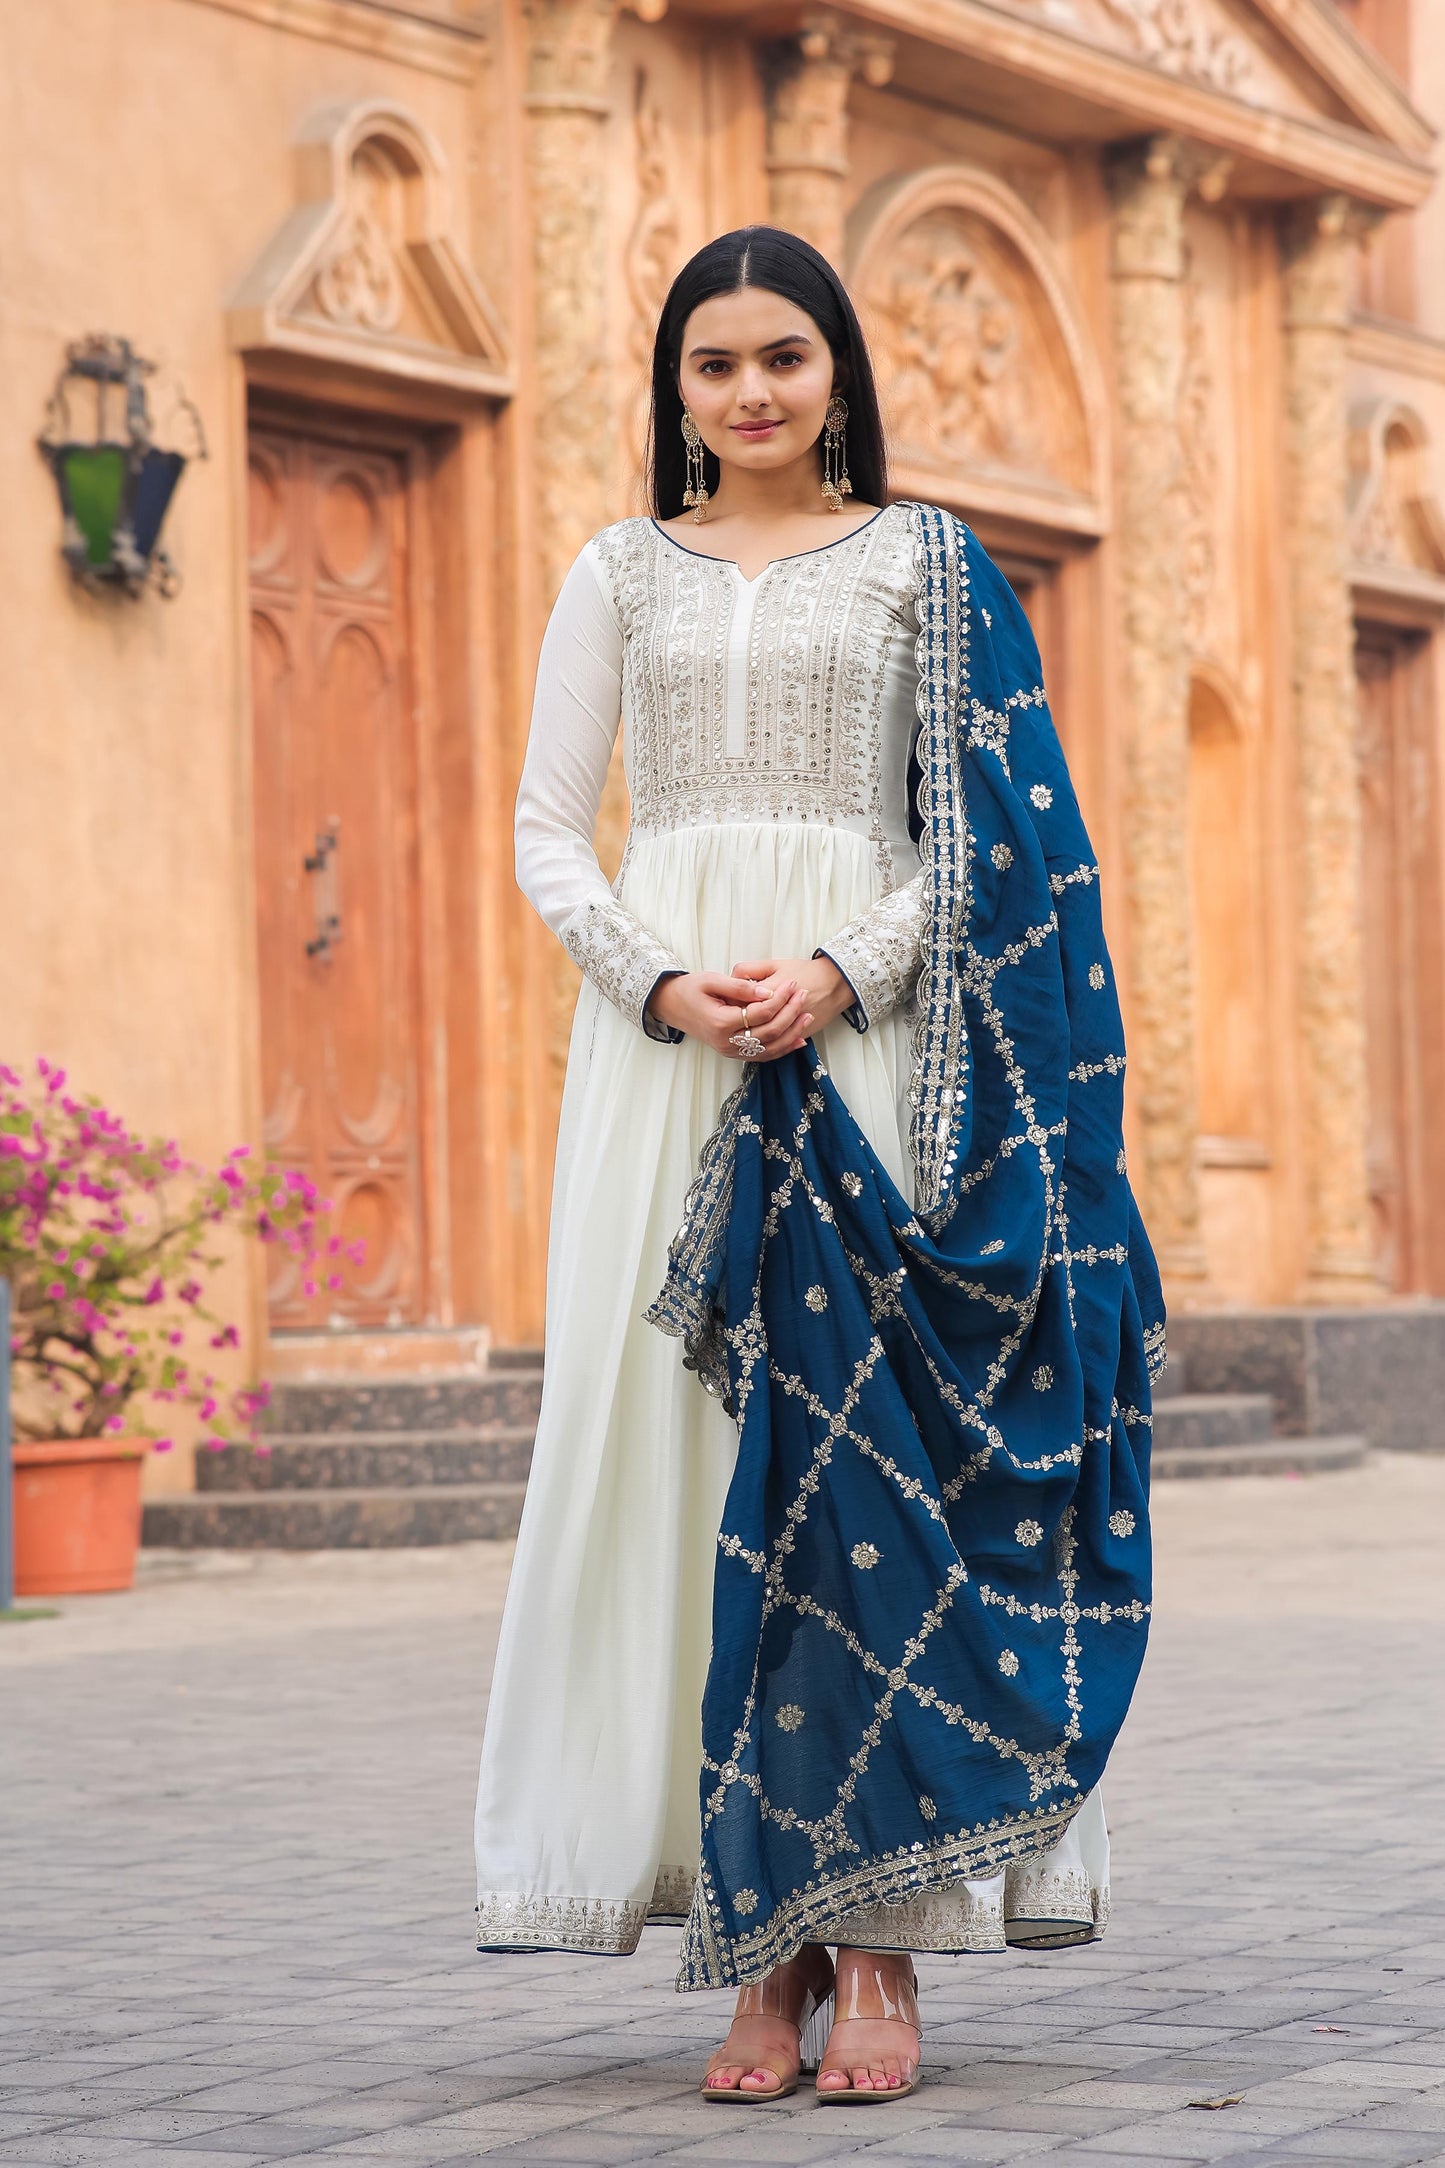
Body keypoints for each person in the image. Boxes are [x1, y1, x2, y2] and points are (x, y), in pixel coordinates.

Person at [474, 225, 1162, 2107]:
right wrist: (656, 978)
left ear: (839, 369)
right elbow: (548, 828)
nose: (752, 391)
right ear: (674, 391)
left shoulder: (928, 564)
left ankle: (886, 1955)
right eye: (714, 365)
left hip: (875, 1044)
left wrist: (852, 963)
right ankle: (752, 1945)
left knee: (875, 1457)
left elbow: (996, 832)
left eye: (785, 356)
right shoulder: (616, 570)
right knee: (689, 1458)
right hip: (667, 1062)